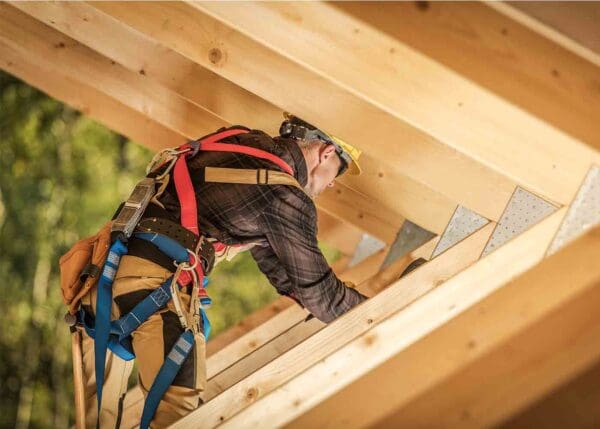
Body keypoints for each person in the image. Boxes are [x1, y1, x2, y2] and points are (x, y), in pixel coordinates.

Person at [78, 113, 366, 428]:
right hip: (153, 287)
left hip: (100, 281)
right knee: (179, 417)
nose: (333, 183)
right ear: (326, 152)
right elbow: (322, 296)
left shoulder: (236, 141)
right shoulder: (285, 196)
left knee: (97, 423)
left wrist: (317, 296)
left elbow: (282, 271)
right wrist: (371, 309)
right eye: (338, 170)